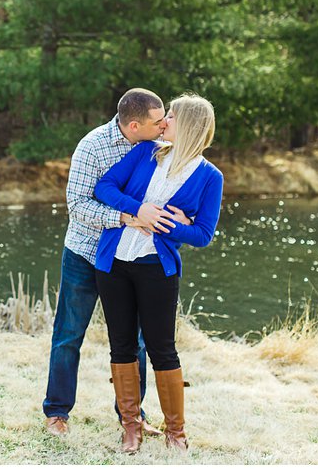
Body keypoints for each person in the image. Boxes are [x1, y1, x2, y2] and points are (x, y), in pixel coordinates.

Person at [43, 88, 190, 437]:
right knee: (68, 334)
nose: (165, 125)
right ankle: (57, 413)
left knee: (134, 341)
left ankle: (132, 418)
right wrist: (125, 216)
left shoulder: (159, 147)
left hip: (129, 260)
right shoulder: (93, 147)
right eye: (158, 121)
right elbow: (77, 207)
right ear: (135, 124)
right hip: (85, 252)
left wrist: (182, 219)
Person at [93, 94, 224, 453]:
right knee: (121, 345)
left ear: (190, 125)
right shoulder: (146, 152)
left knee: (162, 349)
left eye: (171, 116)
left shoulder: (210, 177)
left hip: (157, 269)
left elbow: (202, 234)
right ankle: (130, 428)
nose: (164, 121)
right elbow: (103, 188)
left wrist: (165, 224)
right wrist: (139, 209)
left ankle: (176, 433)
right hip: (114, 263)